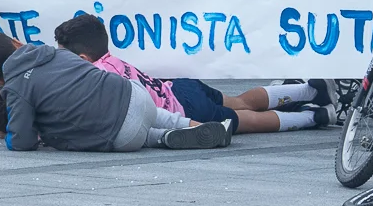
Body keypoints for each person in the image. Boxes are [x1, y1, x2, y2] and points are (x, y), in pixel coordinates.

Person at [51, 13, 329, 135]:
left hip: (184, 110)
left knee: (247, 121)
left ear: (83, 59)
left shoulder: (96, 76)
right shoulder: (112, 60)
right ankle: (309, 90)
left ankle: (314, 117)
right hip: (179, 88)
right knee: (241, 101)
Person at [0, 31, 232, 152]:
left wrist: (7, 133)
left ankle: (162, 139)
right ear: (16, 43)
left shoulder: (16, 87)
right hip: (137, 95)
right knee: (155, 114)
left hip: (123, 135)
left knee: (135, 134)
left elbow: (22, 141)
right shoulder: (56, 53)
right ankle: (202, 128)